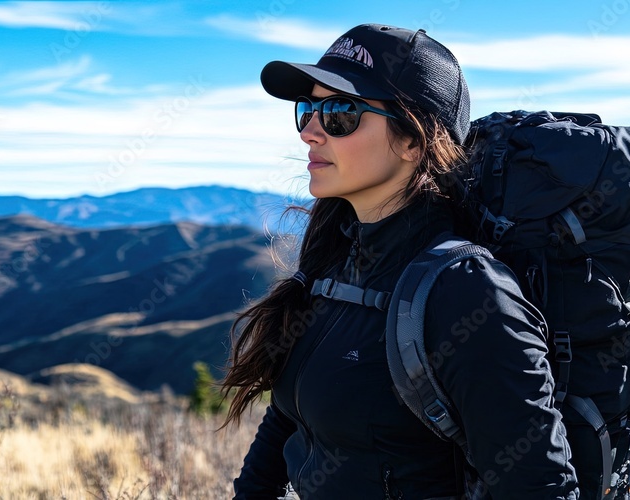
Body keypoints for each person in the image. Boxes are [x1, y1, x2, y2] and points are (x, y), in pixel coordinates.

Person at [221, 24, 580, 499]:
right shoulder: (334, 261)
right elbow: (288, 419)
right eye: (307, 109)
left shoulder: (467, 294)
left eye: (340, 113)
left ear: (414, 141)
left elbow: (540, 487)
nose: (309, 132)